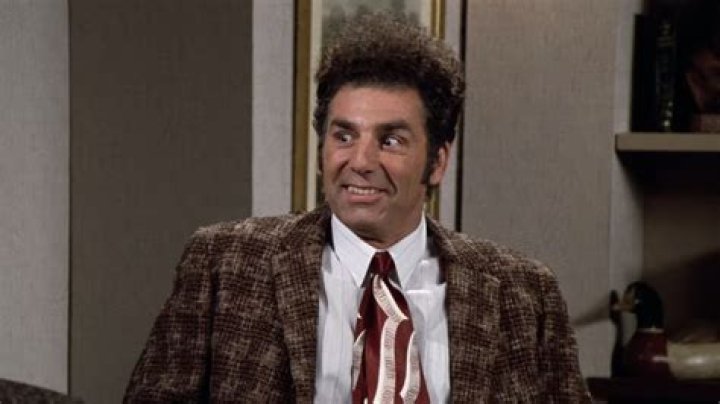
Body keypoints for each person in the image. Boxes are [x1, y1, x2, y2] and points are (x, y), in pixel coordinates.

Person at [124, 14, 590, 403]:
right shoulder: (225, 264)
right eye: (344, 135)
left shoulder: (524, 294)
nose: (361, 162)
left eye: (391, 140)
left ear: (437, 162)